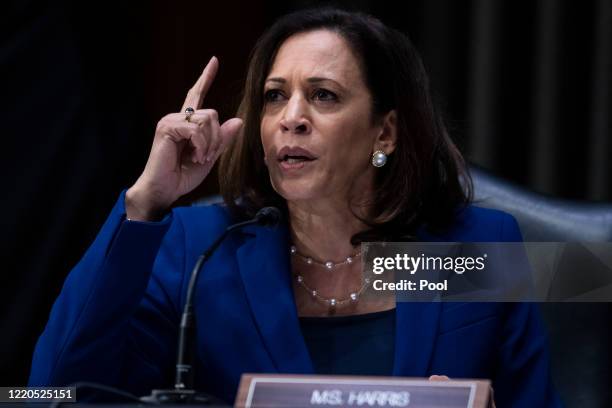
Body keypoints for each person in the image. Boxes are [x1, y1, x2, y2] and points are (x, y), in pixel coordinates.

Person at [29, 7, 561, 407]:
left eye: (324, 95)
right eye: (275, 96)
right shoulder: (198, 248)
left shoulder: (467, 251)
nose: (292, 117)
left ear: (386, 131)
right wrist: (145, 201)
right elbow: (56, 393)